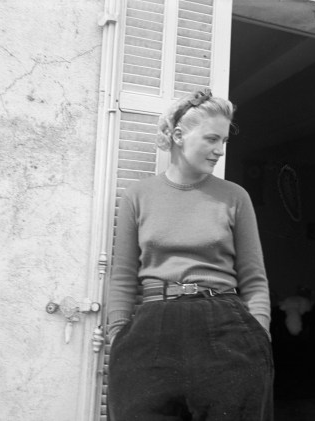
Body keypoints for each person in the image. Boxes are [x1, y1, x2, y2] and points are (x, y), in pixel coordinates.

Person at [107, 88, 273, 421]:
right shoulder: (138, 195)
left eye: (224, 141)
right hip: (152, 328)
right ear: (179, 136)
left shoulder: (234, 197)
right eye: (212, 139)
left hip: (226, 327)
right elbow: (123, 275)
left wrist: (259, 332)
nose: (219, 150)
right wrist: (118, 336)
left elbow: (254, 278)